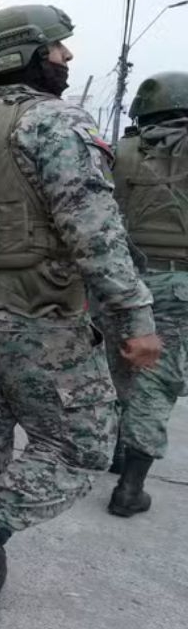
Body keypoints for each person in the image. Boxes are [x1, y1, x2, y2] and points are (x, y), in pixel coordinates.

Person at [0, 4, 160, 629]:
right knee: (82, 445)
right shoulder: (53, 123)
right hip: (38, 318)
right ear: (22, 55)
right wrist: (135, 316)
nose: (67, 58)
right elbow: (96, 234)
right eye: (57, 49)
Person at [105, 70, 188, 518]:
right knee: (157, 382)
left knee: (119, 369)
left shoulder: (121, 152)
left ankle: (114, 451)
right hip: (178, 285)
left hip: (121, 280)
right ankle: (129, 489)